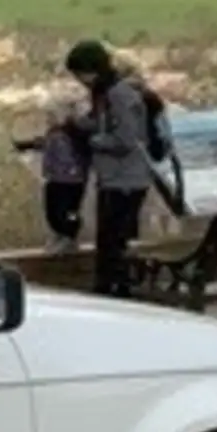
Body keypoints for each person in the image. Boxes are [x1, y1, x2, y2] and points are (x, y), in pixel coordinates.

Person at [64, 38, 151, 296]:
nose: (80, 80)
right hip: (113, 178)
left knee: (115, 242)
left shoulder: (119, 95)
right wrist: (79, 125)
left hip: (125, 179)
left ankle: (116, 290)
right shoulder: (106, 94)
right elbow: (104, 125)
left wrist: (92, 141)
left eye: (81, 74)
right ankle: (111, 286)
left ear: (93, 70)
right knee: (109, 241)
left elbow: (126, 138)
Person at [30, 93, 91, 251]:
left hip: (71, 180)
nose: (48, 119)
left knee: (68, 211)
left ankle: (69, 235)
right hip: (54, 178)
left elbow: (78, 154)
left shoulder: (73, 134)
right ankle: (59, 234)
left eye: (51, 116)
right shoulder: (53, 134)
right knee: (52, 210)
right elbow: (49, 147)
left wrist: (74, 172)